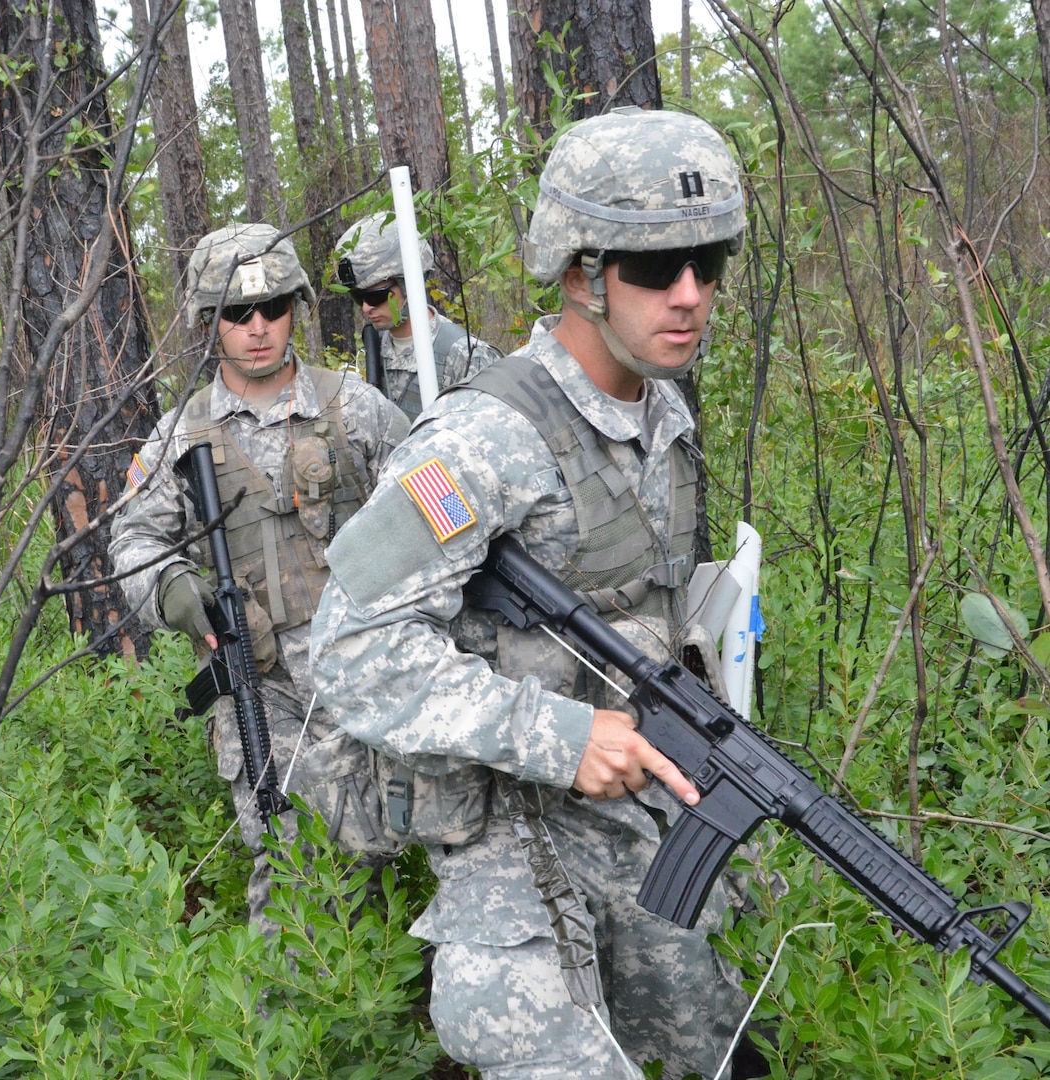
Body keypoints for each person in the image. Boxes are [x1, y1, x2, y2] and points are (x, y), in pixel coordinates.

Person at [310, 108, 752, 1077]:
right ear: (580, 271)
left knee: (709, 1049)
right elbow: (347, 648)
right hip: (510, 832)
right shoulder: (482, 439)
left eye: (707, 261)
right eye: (651, 268)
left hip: (637, 820)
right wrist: (556, 736)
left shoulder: (661, 414)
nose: (688, 295)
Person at [110, 222, 409, 928]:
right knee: (291, 869)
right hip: (265, 686)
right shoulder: (181, 438)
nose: (257, 327)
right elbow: (135, 540)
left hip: (376, 668)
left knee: (396, 849)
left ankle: (396, 1012)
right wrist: (181, 597)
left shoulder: (357, 409)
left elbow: (436, 507)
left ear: (296, 309)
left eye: (272, 307)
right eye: (236, 314)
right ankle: (293, 1024)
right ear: (210, 323)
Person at [334, 211, 503, 421]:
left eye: (375, 296)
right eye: (358, 298)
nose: (366, 308)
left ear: (408, 284)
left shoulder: (465, 356)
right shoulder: (375, 348)